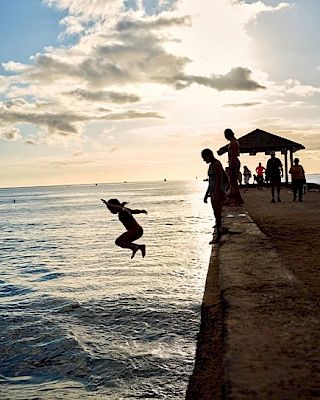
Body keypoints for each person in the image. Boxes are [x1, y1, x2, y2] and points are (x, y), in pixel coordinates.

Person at [201, 148, 226, 243]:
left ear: (209, 155)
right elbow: (210, 182)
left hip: (218, 193)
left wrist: (218, 193)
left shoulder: (217, 165)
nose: (204, 160)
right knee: (216, 214)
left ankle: (218, 237)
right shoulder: (211, 166)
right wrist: (206, 194)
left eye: (204, 157)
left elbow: (220, 180)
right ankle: (218, 234)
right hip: (213, 193)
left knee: (218, 214)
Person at [224, 128, 244, 205]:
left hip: (234, 163)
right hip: (234, 162)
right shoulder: (234, 142)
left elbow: (233, 156)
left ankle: (237, 201)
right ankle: (238, 200)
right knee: (233, 182)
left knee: (233, 182)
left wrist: (233, 167)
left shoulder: (233, 143)